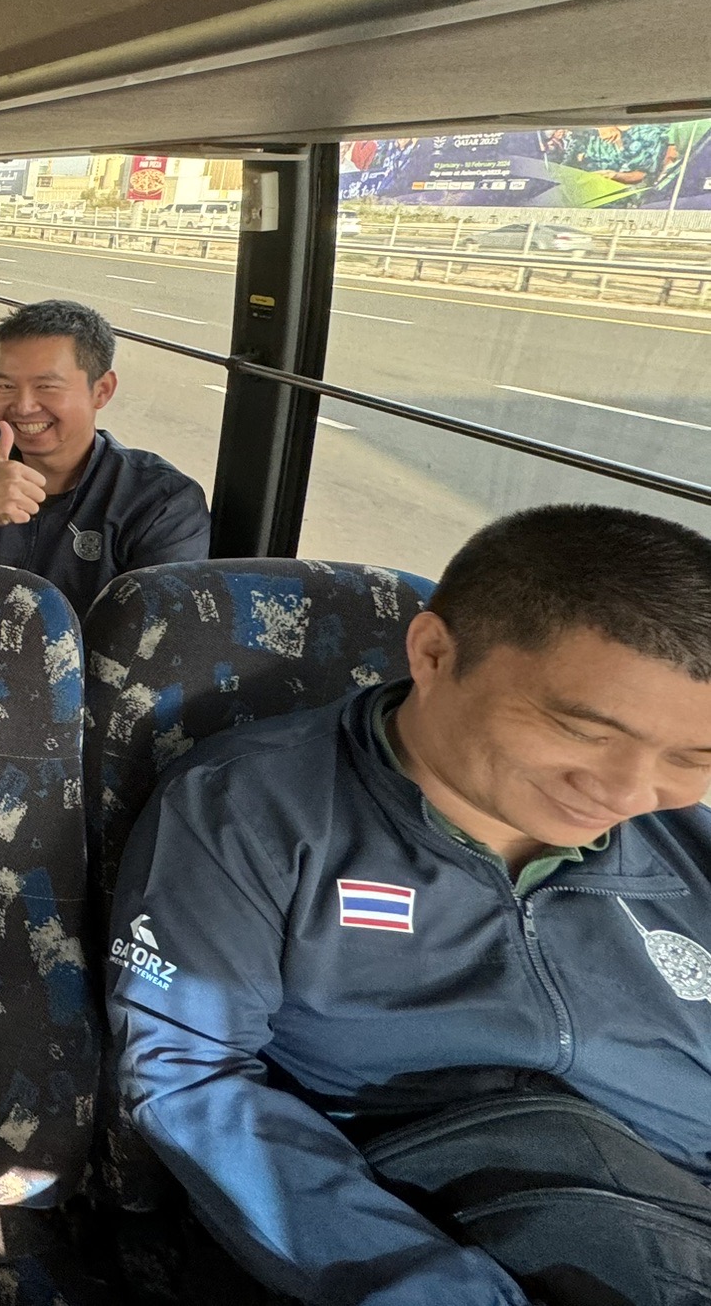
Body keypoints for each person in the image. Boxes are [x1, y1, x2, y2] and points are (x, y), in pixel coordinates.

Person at [109, 506, 711, 1306]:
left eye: (693, 757)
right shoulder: (255, 811)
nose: (631, 792)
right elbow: (190, 1076)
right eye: (583, 732)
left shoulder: (689, 844)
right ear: (432, 653)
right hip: (420, 1217)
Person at [0, 299, 209, 610]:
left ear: (101, 390)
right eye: (6, 386)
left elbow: (161, 633)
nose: (23, 406)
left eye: (46, 386)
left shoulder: (158, 502)